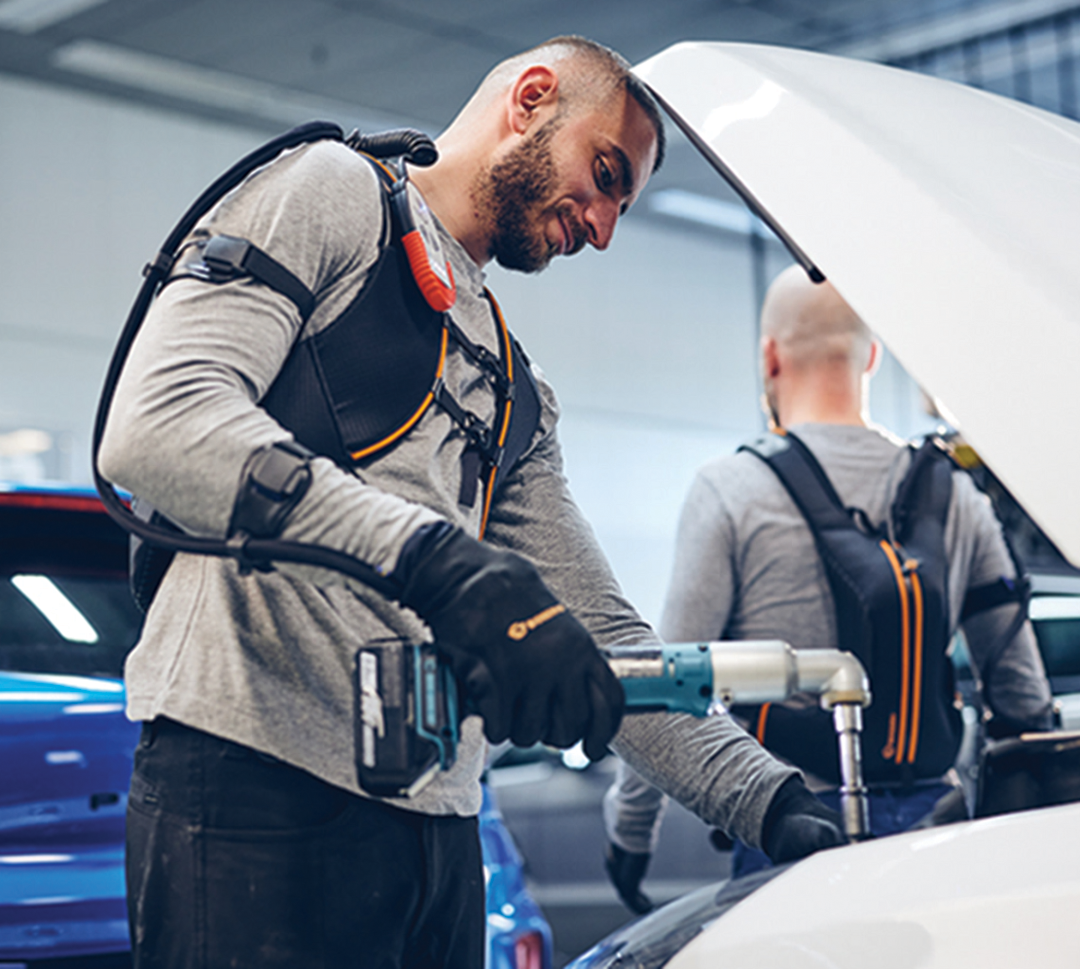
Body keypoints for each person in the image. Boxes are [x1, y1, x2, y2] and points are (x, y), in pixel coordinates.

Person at [99, 38, 844, 969]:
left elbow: (605, 637)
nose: (605, 228)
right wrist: (437, 559)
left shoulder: (508, 383)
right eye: (605, 175)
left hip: (437, 830)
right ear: (532, 98)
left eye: (621, 206)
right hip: (254, 789)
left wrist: (772, 802)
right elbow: (157, 424)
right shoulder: (332, 192)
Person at [603, 264, 1054, 911]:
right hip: (940, 832)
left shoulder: (730, 489)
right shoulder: (956, 494)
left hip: (787, 830)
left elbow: (664, 685)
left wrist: (630, 833)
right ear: (871, 356)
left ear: (770, 357)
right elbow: (1022, 696)